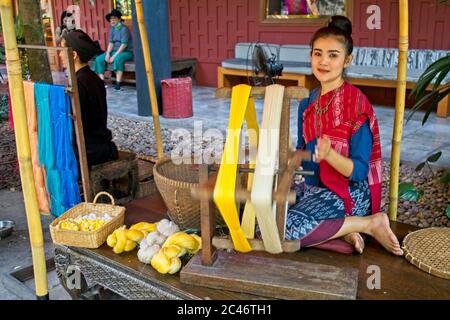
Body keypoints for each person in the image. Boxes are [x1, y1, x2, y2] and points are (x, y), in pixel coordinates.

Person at [287, 16, 403, 256]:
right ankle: (341, 232)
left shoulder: (357, 106)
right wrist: (286, 160)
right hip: (314, 189)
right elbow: (302, 152)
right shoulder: (307, 104)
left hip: (348, 193)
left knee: (286, 229)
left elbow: (359, 171)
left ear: (347, 60)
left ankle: (368, 222)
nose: (323, 61)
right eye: (317, 54)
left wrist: (330, 154)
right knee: (261, 216)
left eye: (333, 55)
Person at [60, 30, 118, 167]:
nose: (60, 54)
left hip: (88, 151)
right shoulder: (93, 78)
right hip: (101, 144)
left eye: (62, 50)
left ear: (73, 55)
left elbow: (77, 124)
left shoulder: (78, 83)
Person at [93, 9, 133, 91]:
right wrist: (108, 54)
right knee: (99, 59)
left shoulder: (124, 29)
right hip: (114, 51)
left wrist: (114, 56)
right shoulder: (113, 29)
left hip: (126, 52)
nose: (112, 20)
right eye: (111, 19)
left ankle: (118, 84)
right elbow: (111, 43)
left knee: (118, 59)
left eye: (114, 18)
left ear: (119, 19)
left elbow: (124, 45)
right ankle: (102, 81)